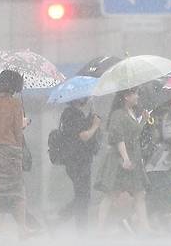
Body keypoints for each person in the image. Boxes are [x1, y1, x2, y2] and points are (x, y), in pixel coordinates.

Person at [0, 70, 30, 240]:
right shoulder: (16, 104)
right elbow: (17, 130)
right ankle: (22, 229)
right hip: (10, 151)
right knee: (18, 191)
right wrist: (24, 125)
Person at [95, 87, 151, 232]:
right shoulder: (118, 115)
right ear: (126, 96)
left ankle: (145, 228)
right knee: (111, 194)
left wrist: (143, 121)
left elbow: (133, 134)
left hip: (133, 158)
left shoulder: (130, 113)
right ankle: (99, 229)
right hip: (119, 161)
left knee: (139, 193)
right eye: (135, 93)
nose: (137, 96)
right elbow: (118, 138)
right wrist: (125, 158)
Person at [58, 97, 101, 231]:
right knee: (83, 196)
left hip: (79, 160)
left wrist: (92, 117)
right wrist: (95, 125)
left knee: (82, 195)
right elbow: (84, 136)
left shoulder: (75, 113)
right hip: (77, 161)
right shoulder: (71, 114)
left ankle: (59, 221)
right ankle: (78, 228)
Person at [144, 94, 171, 227]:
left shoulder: (154, 112)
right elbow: (169, 136)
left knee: (154, 191)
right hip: (163, 160)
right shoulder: (167, 113)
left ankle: (150, 220)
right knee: (163, 191)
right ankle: (160, 220)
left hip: (152, 160)